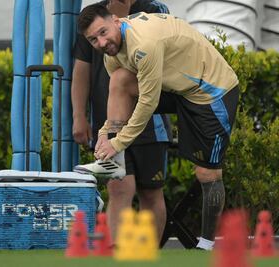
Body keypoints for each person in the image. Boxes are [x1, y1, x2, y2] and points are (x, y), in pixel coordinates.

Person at [76, 4, 240, 250]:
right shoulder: (111, 53)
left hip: (211, 92)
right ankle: (113, 163)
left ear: (115, 20)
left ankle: (206, 244)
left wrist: (118, 142)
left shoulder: (145, 45)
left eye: (103, 32)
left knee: (207, 174)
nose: (101, 42)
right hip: (177, 87)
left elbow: (148, 103)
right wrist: (105, 135)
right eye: (93, 39)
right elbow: (120, 94)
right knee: (120, 79)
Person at [72, 0, 171, 243]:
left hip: (152, 121)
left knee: (151, 192)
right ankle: (117, 254)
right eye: (96, 39)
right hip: (110, 122)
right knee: (118, 188)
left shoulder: (154, 10)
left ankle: (149, 255)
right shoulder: (92, 19)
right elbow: (81, 72)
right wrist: (79, 116)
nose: (101, 42)